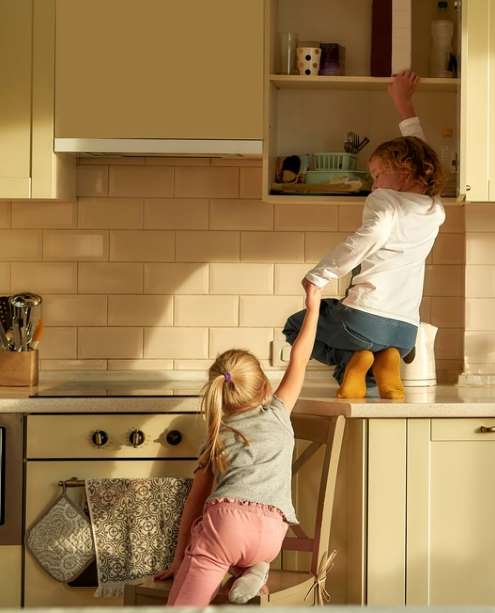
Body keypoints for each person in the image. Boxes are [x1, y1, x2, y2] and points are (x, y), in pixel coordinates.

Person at [156, 281, 324, 606]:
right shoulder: (278, 411)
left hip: (226, 527)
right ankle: (254, 568)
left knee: (182, 605)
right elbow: (300, 359)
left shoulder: (218, 433)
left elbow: (195, 501)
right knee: (246, 552)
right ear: (265, 387)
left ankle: (241, 566)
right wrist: (313, 305)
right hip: (273, 534)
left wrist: (179, 560)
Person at [283, 71, 446, 400]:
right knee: (367, 364)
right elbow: (423, 153)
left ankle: (354, 363)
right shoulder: (433, 208)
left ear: (403, 172)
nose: (373, 184)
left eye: (376, 175)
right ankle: (383, 365)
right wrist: (404, 105)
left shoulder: (385, 202)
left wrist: (320, 275)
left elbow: (370, 235)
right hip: (404, 332)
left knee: (294, 325)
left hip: (365, 318)